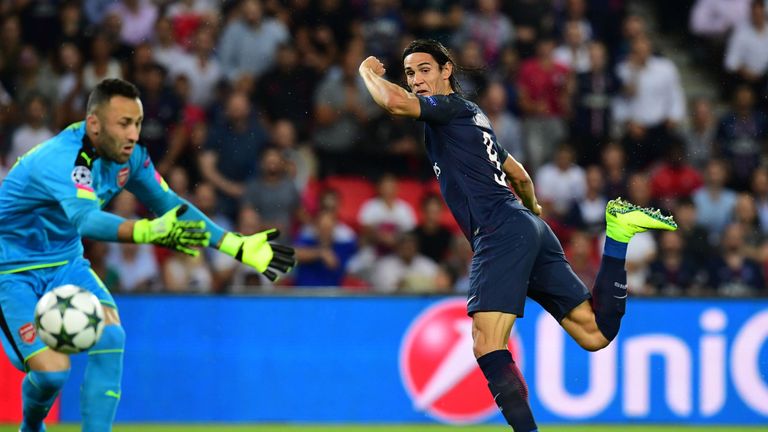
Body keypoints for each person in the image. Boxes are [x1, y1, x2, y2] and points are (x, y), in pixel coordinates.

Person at [358, 39, 678, 431]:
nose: (416, 80)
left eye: (424, 70)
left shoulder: (450, 108)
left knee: (487, 344)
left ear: (446, 71)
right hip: (526, 225)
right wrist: (534, 213)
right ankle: (618, 234)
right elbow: (520, 174)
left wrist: (368, 73)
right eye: (409, 73)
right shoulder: (475, 117)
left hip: (500, 229)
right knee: (595, 335)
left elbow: (393, 103)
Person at [0, 78, 295, 432]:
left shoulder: (132, 158)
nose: (133, 134)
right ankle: (31, 427)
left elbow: (172, 206)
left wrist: (236, 245)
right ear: (94, 124)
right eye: (123, 123)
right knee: (52, 376)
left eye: (137, 123)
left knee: (112, 337)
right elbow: (86, 219)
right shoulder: (62, 159)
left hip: (65, 263)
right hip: (11, 272)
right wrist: (146, 231)